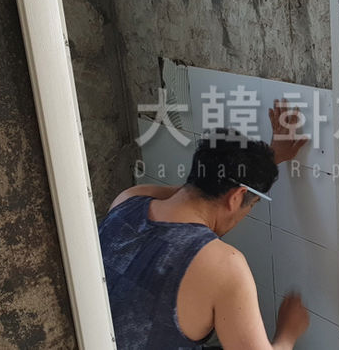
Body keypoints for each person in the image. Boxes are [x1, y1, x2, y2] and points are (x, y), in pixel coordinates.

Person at [99, 100, 310, 349]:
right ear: (236, 198)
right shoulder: (224, 267)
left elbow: (197, 190)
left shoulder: (128, 200)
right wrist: (288, 332)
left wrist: (265, 163)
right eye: (251, 205)